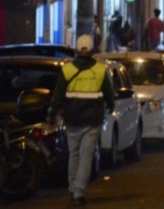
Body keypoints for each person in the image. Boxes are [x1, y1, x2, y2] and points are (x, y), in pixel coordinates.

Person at [48, 34, 115, 206]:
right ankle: (78, 192)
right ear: (92, 50)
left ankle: (73, 189)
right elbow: (109, 94)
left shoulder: (67, 69)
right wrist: (111, 106)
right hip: (93, 119)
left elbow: (58, 95)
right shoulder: (100, 70)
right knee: (86, 156)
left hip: (72, 118)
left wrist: (51, 114)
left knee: (74, 154)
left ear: (76, 50)